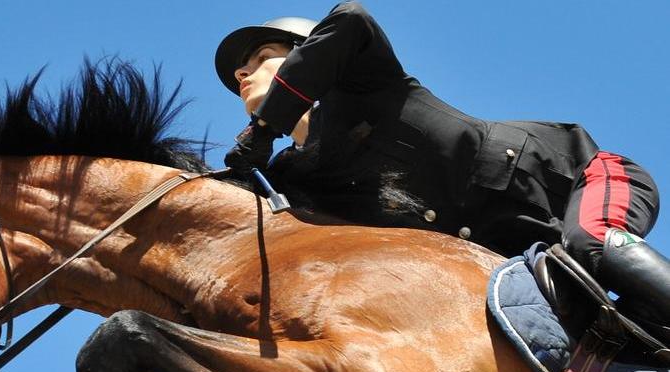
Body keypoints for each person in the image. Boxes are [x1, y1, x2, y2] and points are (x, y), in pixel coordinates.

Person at [216, 1, 670, 329]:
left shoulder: (362, 81)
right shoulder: (292, 178)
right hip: (524, 257)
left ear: (307, 53)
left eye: (262, 57)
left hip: (587, 178)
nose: (241, 74)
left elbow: (351, 18)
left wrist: (264, 128)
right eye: (241, 71)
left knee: (592, 243)